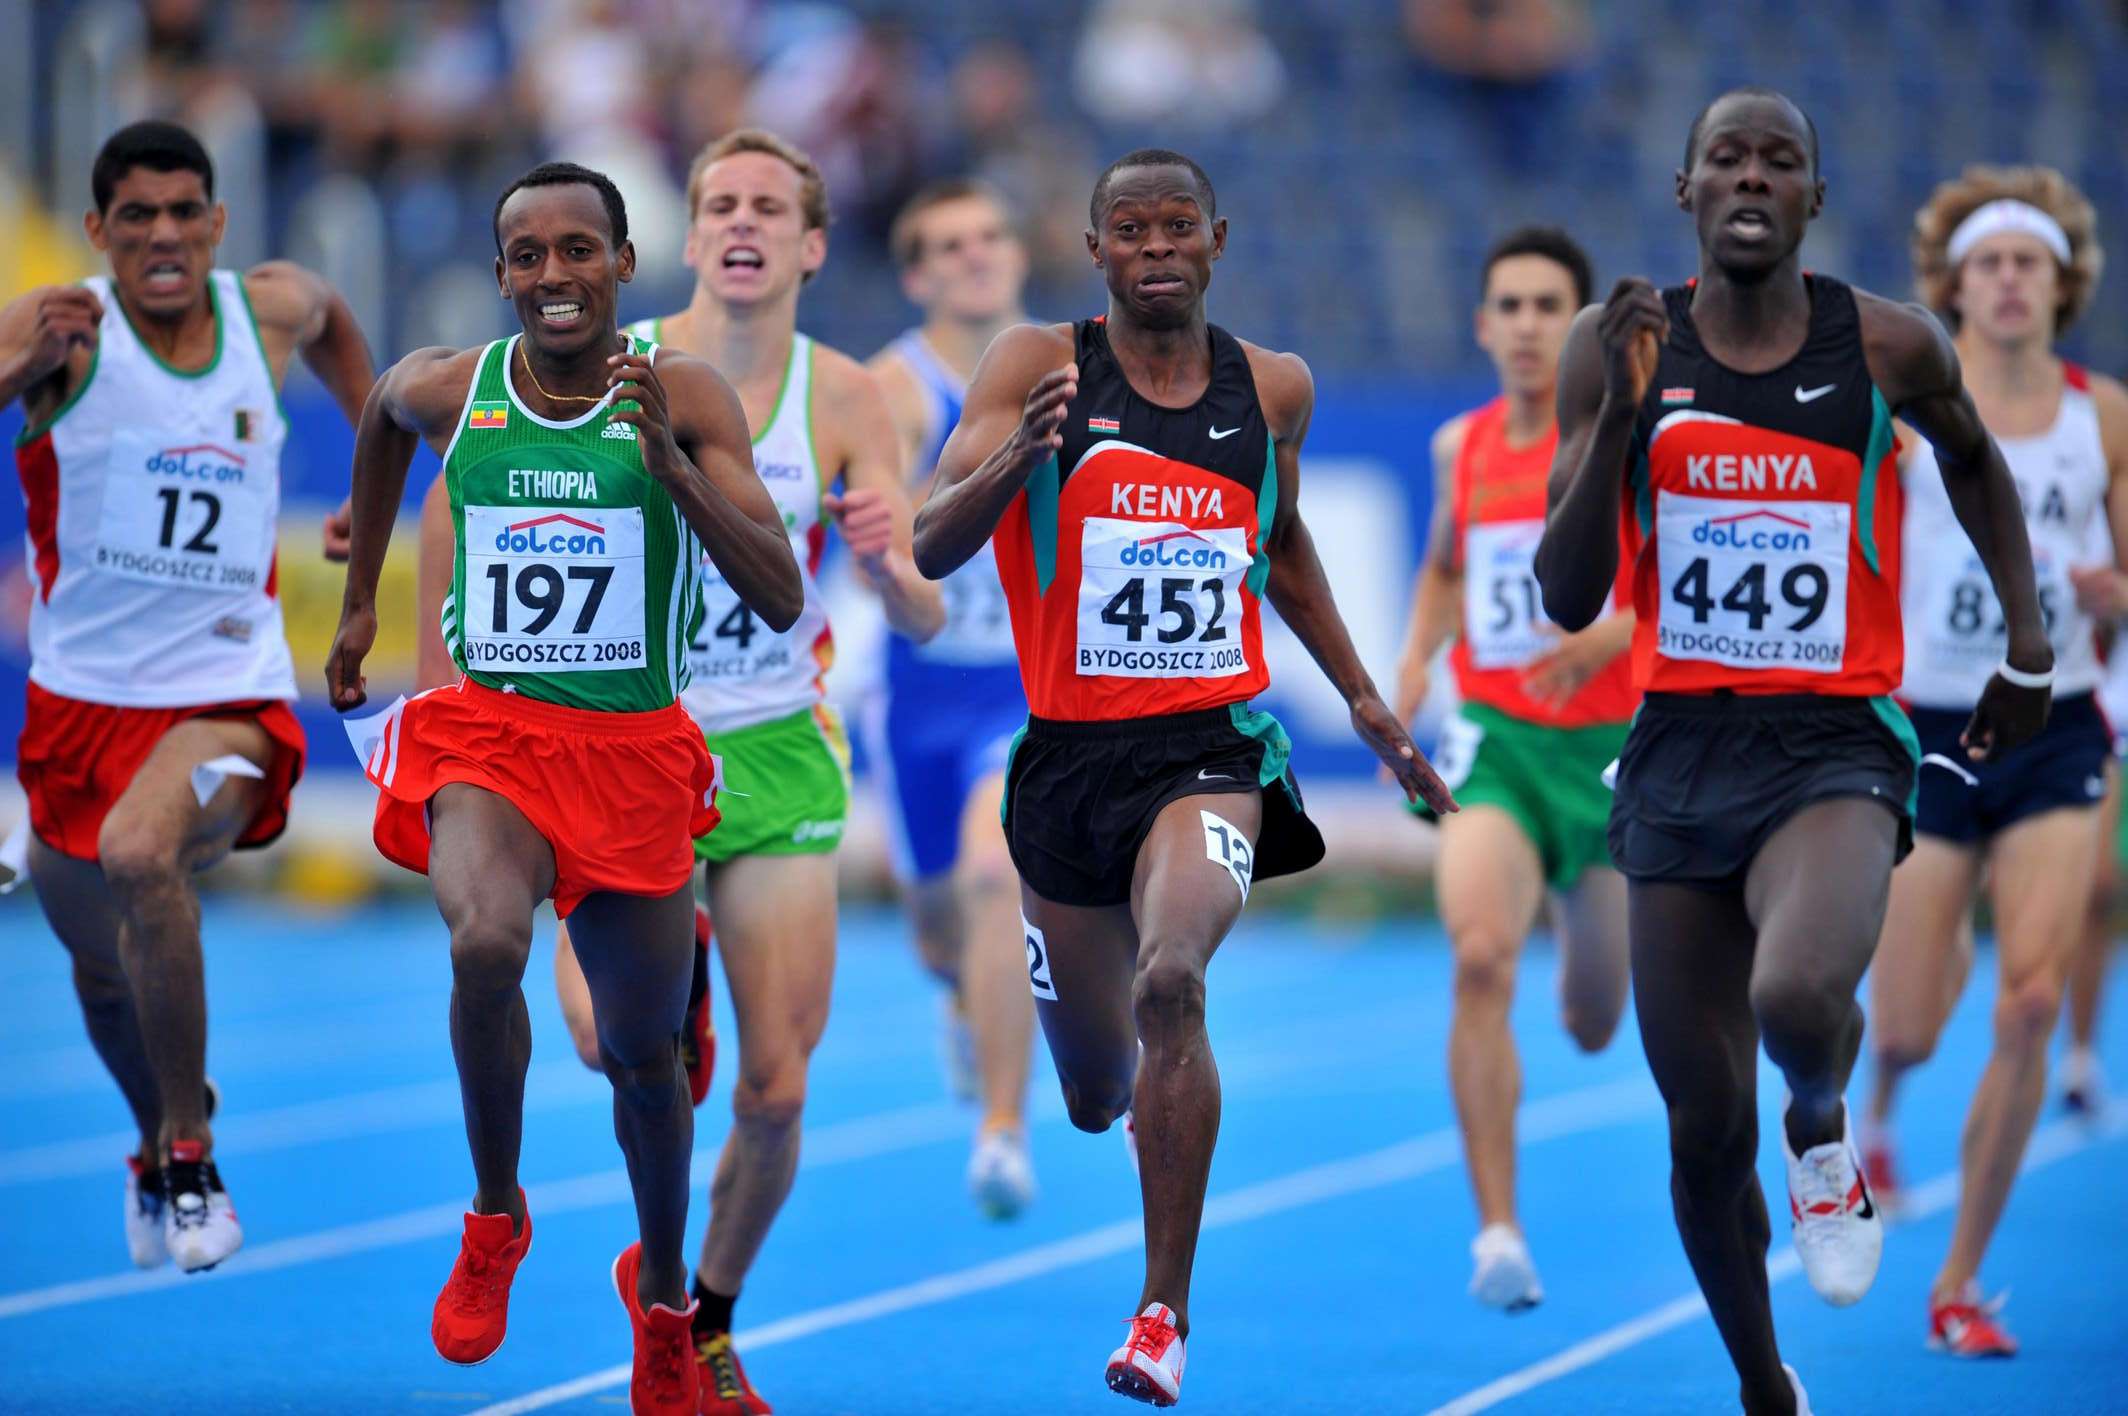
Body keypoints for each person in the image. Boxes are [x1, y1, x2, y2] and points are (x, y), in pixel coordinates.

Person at [1534, 89, 2053, 1415]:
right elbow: (1567, 594)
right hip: (1678, 750)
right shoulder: (1614, 343)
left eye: (1780, 162)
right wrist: (1624, 419)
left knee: (1798, 994)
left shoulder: (1888, 343)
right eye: (1727, 158)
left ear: (1815, 196)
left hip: (1835, 742)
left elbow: (1976, 464)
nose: (1752, 178)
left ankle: (1820, 1123)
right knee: (1702, 1130)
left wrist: (2028, 642)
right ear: (1686, 189)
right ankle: (1765, 1384)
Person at [913, 147, 1455, 1406]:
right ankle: (1128, 1098)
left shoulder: (1274, 387)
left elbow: (1284, 537)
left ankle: (1162, 1312)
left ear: (1216, 238)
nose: (1155, 249)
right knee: (1094, 1092)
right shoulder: (1035, 365)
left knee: (1171, 977)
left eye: (1176, 227)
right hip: (1066, 764)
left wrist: (1362, 698)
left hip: (1209, 747)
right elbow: (935, 542)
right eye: (1129, 230)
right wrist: (1014, 459)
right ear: (1094, 250)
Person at [323, 160, 803, 1415]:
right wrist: (362, 599)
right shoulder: (459, 387)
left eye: (578, 250)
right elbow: (379, 411)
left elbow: (780, 591)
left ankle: (664, 1299)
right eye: (527, 254)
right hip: (491, 738)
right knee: (485, 939)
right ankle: (496, 1216)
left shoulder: (682, 394)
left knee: (646, 1063)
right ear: (500, 275)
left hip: (632, 756)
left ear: (623, 263)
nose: (554, 274)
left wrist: (673, 471)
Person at [548, 127, 942, 1416]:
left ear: (812, 245)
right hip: (627, 740)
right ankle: (680, 978)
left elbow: (925, 612)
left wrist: (887, 564)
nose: (741, 222)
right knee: (607, 1040)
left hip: (773, 741)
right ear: (690, 231)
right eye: (719, 201)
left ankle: (701, 1316)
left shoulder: (848, 396)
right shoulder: (613, 365)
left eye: (769, 206)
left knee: (774, 1090)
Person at [0, 120, 372, 1274]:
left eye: (182, 213)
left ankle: (194, 1160)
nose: (162, 235)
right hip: (77, 711)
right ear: (97, 230)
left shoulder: (271, 311)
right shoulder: (58, 329)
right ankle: (157, 1135)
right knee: (101, 972)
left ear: (217, 223)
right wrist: (14, 372)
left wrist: (372, 474)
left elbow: (343, 329)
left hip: (228, 701)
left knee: (140, 852)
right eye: (137, 217)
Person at [1861, 165, 2128, 1357]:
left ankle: (1959, 1282)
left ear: (2061, 285)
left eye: (2029, 262)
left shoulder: (2102, 414)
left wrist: (2113, 590)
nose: (2011, 281)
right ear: (1953, 286)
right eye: (1989, 264)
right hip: (1930, 728)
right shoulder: (1904, 409)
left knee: (2028, 1002)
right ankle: (1879, 1101)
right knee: (1908, 1023)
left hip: (2057, 726)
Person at [1388, 225, 1633, 1312]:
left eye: (1550, 308)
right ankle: (1497, 1232)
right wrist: (1409, 668)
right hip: (1496, 741)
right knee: (1480, 959)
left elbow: (1680, 586)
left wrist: (1602, 637)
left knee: (1593, 1020)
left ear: (1582, 332)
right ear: (1483, 325)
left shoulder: (1627, 441)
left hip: (1613, 755)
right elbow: (1446, 568)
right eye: (1511, 306)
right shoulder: (1463, 446)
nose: (1529, 327)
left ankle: (1577, 901)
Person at [867, 178, 1039, 1218]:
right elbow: (891, 548)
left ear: (1018, 254)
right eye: (948, 245)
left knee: (993, 875)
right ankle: (965, 998)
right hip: (920, 688)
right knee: (940, 933)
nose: (975, 256)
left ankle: (1003, 1132)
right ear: (916, 276)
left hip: (1027, 682)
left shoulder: (1069, 367)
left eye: (990, 237)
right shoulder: (890, 389)